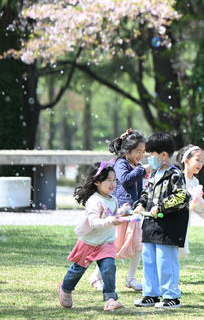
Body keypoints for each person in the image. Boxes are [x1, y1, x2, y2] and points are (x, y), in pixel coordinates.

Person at [132, 132, 190, 309]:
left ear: (163, 155)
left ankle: (171, 296)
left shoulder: (175, 174)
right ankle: (151, 294)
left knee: (166, 262)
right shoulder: (154, 173)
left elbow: (182, 197)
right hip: (150, 225)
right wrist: (141, 204)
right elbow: (146, 193)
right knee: (149, 259)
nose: (149, 158)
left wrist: (162, 206)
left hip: (168, 227)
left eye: (151, 154)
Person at [58, 160, 126, 311]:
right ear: (97, 182)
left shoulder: (113, 200)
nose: (112, 183)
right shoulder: (94, 200)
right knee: (77, 270)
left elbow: (112, 216)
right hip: (89, 242)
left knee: (109, 268)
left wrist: (122, 213)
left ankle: (110, 299)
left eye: (114, 180)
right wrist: (111, 220)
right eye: (108, 180)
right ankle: (65, 288)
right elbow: (94, 222)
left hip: (106, 243)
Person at [88, 129, 148, 293]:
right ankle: (96, 276)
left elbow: (139, 188)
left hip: (133, 212)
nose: (141, 155)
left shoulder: (137, 166)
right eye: (138, 151)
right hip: (120, 212)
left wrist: (141, 202)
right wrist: (142, 170)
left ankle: (131, 278)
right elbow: (126, 180)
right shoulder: (121, 163)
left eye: (143, 152)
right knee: (112, 246)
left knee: (138, 244)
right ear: (127, 150)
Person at [175, 144, 204, 258]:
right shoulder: (176, 178)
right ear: (186, 161)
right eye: (197, 160)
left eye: (202, 161)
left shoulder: (195, 182)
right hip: (172, 222)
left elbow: (199, 206)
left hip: (184, 223)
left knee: (180, 252)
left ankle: (170, 276)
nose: (200, 164)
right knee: (171, 252)